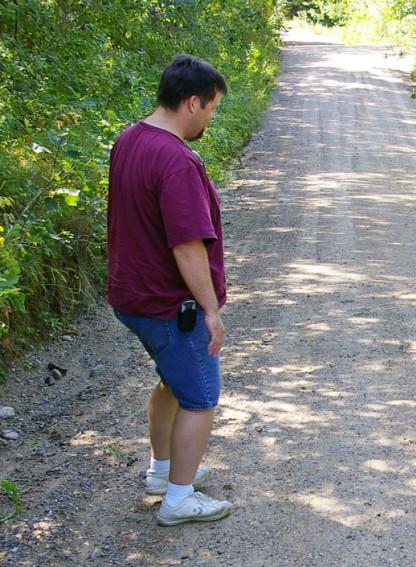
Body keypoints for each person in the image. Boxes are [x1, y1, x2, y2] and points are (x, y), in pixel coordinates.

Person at [107, 54, 232, 526]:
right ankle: (178, 500)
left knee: (172, 383)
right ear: (193, 102)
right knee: (200, 395)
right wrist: (210, 311)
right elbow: (186, 246)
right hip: (167, 303)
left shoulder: (130, 139)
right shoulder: (176, 159)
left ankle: (163, 473)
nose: (212, 118)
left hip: (131, 295)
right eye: (213, 108)